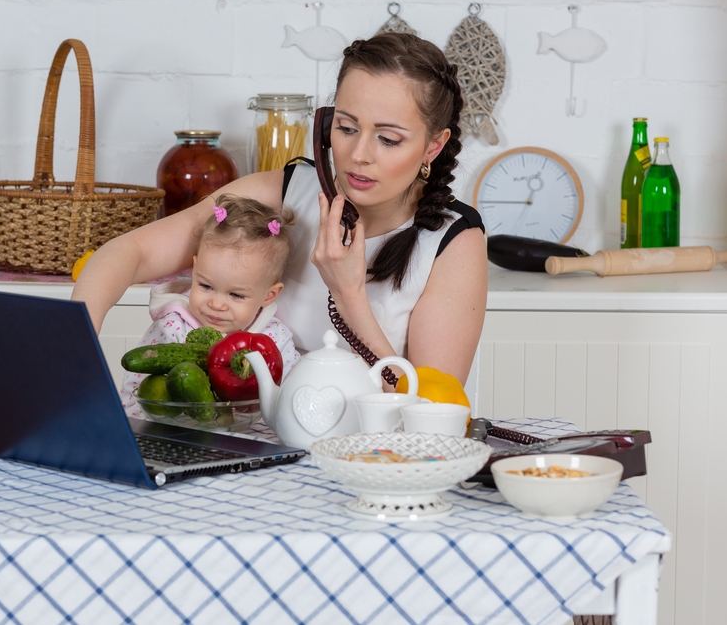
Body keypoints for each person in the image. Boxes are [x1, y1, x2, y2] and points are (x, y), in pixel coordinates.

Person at [73, 33, 487, 388]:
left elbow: (429, 413)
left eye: (389, 139)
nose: (358, 155)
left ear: (433, 145)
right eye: (346, 128)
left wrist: (349, 296)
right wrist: (77, 345)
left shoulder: (453, 241)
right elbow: (130, 253)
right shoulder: (282, 193)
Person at [120, 194, 300, 409]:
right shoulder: (173, 327)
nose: (216, 304)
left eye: (236, 295)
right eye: (206, 286)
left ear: (269, 295)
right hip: (176, 432)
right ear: (195, 270)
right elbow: (133, 392)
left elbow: (293, 398)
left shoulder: (276, 339)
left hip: (253, 436)